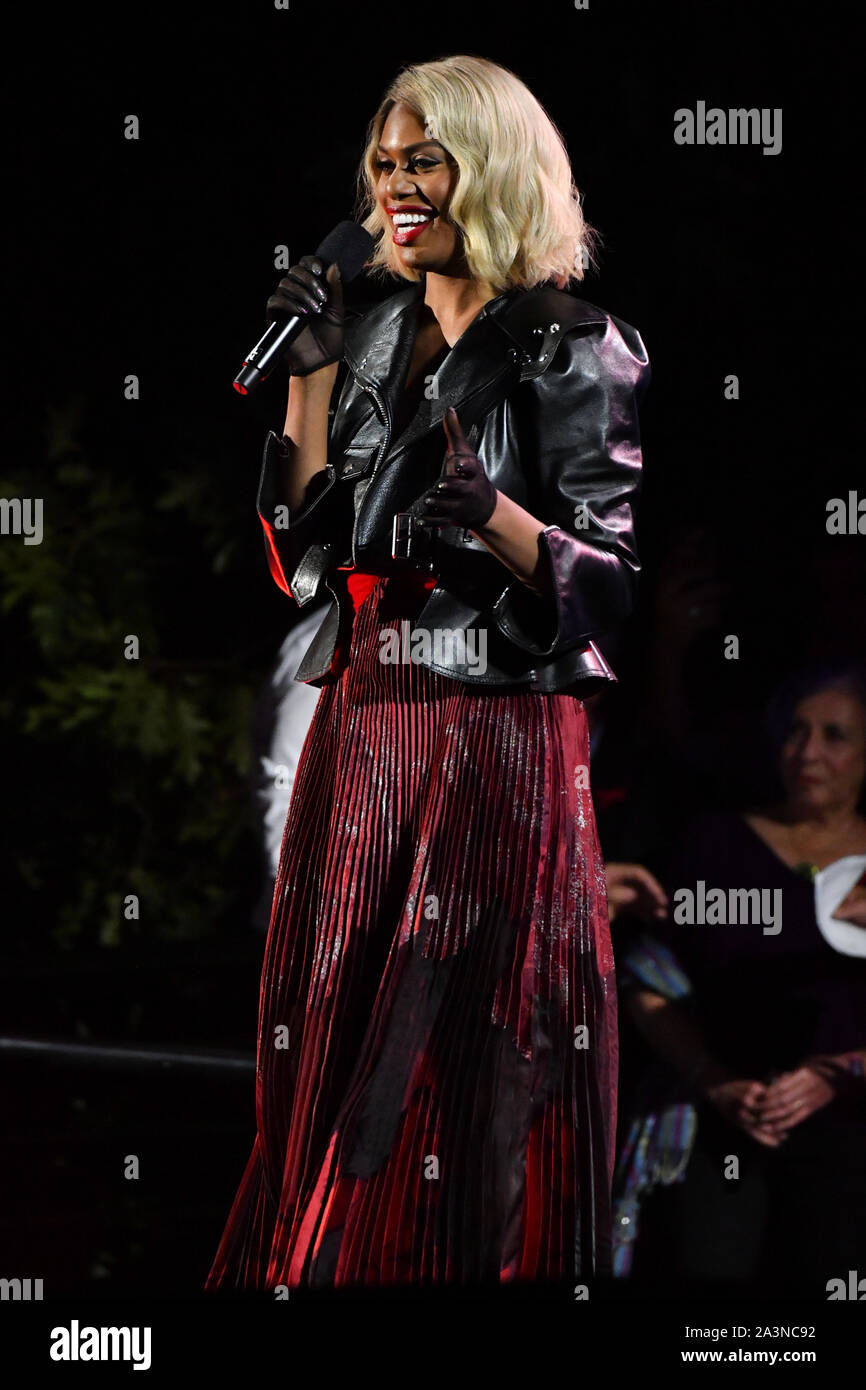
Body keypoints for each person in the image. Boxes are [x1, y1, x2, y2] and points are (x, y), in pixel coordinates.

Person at [205, 54, 650, 1293]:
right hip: (367, 721)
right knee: (337, 1038)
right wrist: (308, 366)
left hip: (493, 737)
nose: (395, 187)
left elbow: (606, 582)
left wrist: (492, 513)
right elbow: (300, 565)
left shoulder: (573, 344)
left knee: (467, 1050)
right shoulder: (379, 332)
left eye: (423, 161)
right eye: (384, 164)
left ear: (490, 169)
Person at [615, 663, 866, 1292]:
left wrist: (836, 1075)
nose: (808, 752)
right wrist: (714, 1079)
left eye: (834, 735)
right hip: (722, 1121)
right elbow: (647, 980)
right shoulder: (719, 843)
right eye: (795, 732)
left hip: (850, 1138)